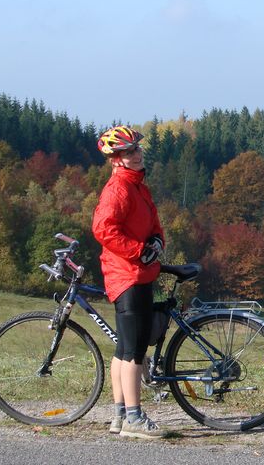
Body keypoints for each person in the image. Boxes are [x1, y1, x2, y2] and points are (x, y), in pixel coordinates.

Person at [92, 125, 166, 439]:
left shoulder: (137, 186)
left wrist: (158, 242)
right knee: (134, 351)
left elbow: (152, 222)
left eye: (136, 148)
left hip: (137, 273)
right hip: (128, 275)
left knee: (124, 349)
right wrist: (139, 252)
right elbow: (103, 229)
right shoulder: (118, 189)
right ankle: (135, 419)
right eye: (130, 151)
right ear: (116, 159)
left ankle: (119, 416)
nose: (137, 154)